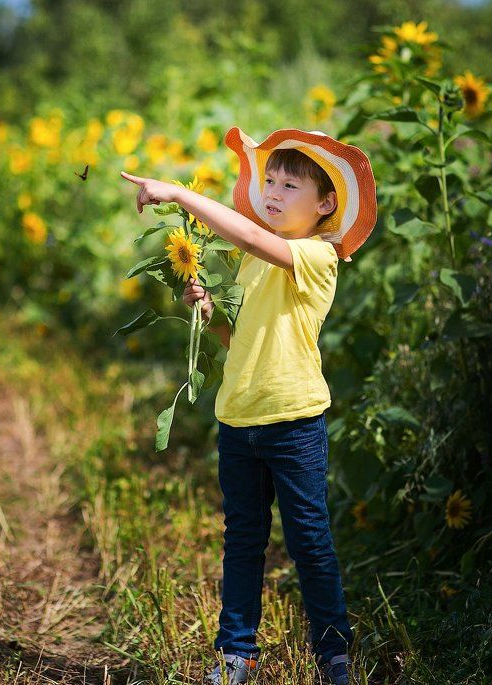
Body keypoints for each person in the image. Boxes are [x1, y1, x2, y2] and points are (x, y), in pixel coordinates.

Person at [120, 126, 377, 685]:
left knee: (309, 540)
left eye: (291, 184)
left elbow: (260, 241)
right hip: (238, 418)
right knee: (242, 543)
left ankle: (334, 654)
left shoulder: (315, 256)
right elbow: (242, 339)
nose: (276, 192)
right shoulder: (253, 264)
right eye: (272, 182)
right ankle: (236, 654)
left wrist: (182, 194)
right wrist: (210, 312)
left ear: (326, 204)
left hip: (293, 421)